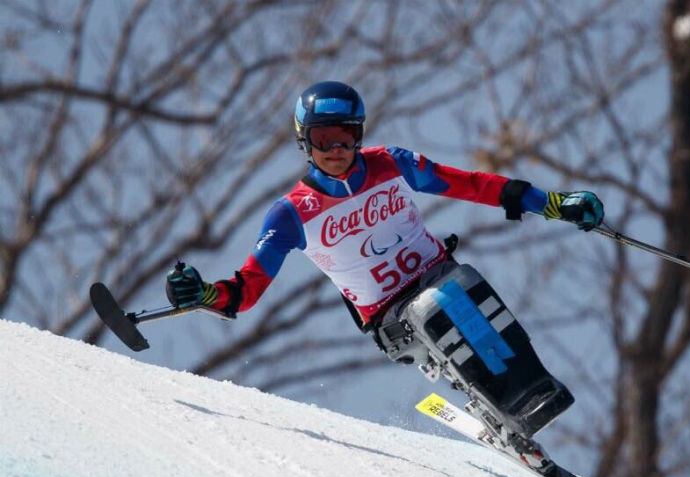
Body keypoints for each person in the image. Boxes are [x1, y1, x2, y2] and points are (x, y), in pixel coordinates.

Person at [166, 81, 603, 452]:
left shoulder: (390, 163)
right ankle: (501, 403)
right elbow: (246, 291)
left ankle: (533, 392)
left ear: (359, 134)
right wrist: (205, 294)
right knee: (440, 304)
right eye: (323, 139)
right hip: (390, 316)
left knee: (466, 289)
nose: (336, 149)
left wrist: (550, 203)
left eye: (345, 135)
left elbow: (468, 184)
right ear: (304, 141)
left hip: (439, 273)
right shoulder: (292, 213)